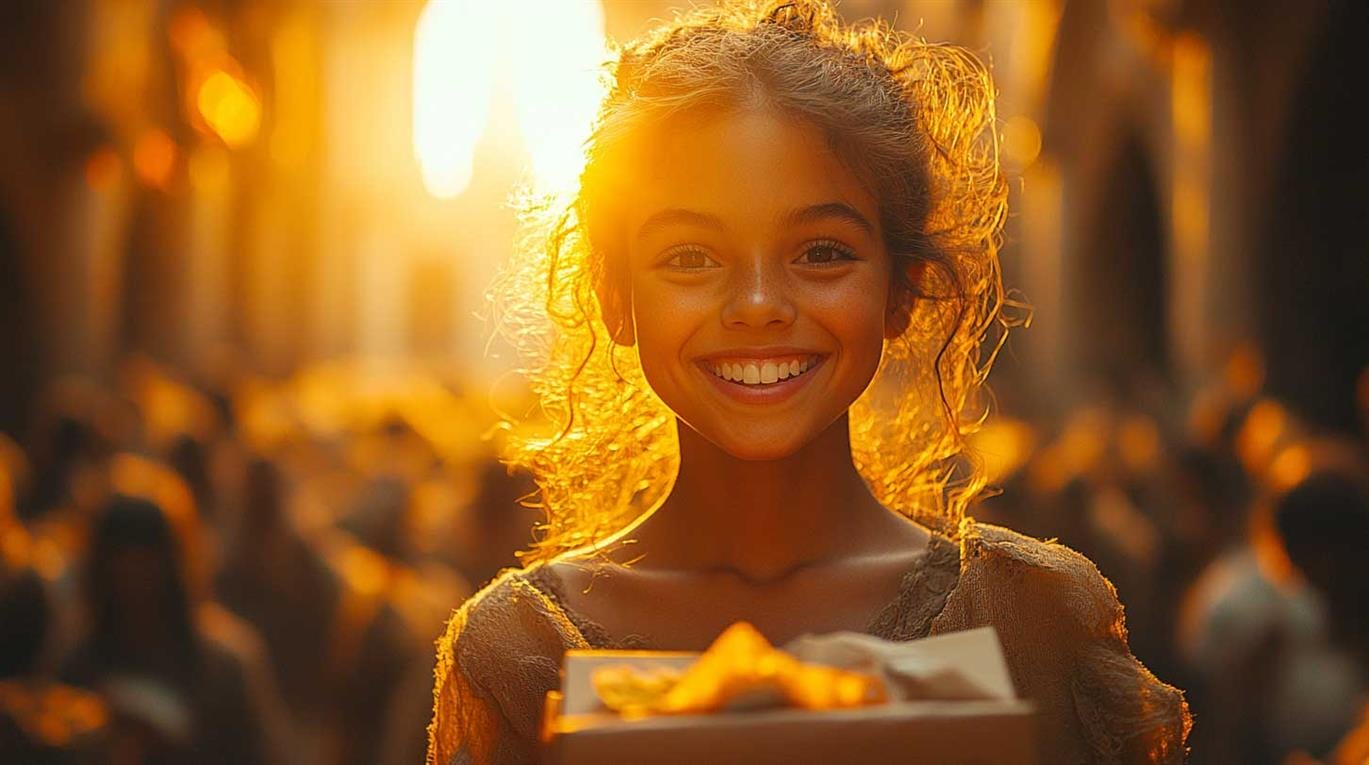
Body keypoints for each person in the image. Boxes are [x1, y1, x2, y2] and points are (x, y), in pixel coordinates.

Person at [427, 2, 1189, 763]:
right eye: (691, 257)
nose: (758, 305)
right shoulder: (520, 650)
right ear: (616, 297)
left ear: (901, 289)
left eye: (820, 252)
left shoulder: (1032, 615)